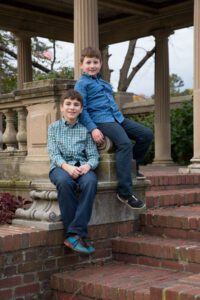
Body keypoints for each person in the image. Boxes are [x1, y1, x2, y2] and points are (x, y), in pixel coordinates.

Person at [75, 46, 153, 211]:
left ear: (100, 64)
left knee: (146, 135)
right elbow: (81, 110)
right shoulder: (82, 84)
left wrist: (119, 119)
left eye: (95, 62)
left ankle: (134, 166)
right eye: (88, 62)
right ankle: (125, 192)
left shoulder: (104, 83)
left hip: (118, 118)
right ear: (81, 65)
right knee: (124, 144)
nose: (92, 65)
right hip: (100, 120)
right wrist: (93, 129)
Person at [47, 89, 99, 255]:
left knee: (90, 182)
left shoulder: (85, 130)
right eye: (68, 104)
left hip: (82, 167)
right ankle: (76, 236)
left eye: (76, 104)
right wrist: (67, 167)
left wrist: (88, 166)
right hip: (60, 168)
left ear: (81, 109)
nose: (72, 107)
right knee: (65, 182)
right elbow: (53, 154)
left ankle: (73, 235)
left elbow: (93, 156)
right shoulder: (53, 128)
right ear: (61, 107)